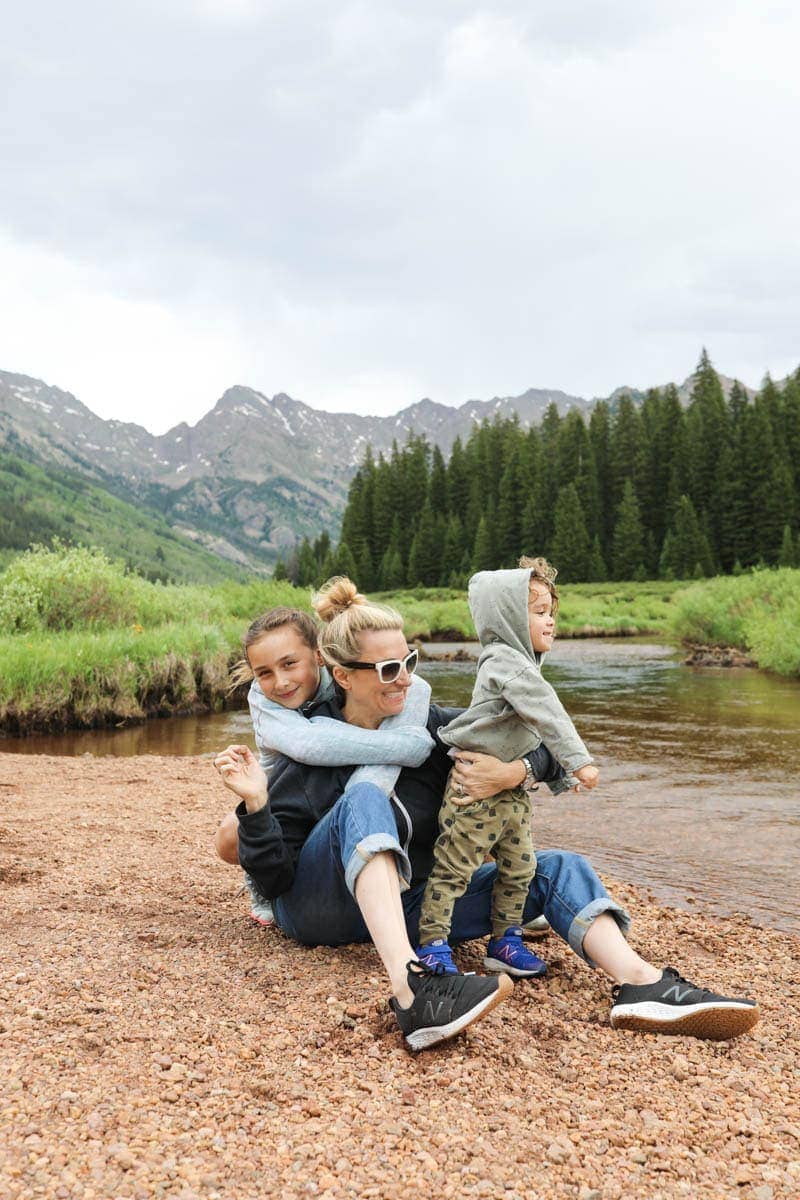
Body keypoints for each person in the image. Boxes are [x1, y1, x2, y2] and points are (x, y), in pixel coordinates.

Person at [214, 576, 759, 1051]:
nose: (404, 679)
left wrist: (513, 773)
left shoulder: (431, 730)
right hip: (318, 913)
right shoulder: (304, 761)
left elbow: (541, 743)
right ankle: (414, 991)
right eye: (386, 669)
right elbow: (273, 877)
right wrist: (256, 805)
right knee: (364, 799)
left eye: (408, 662)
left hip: (411, 906)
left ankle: (642, 985)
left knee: (555, 868)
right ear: (342, 675)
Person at [416, 558, 598, 978]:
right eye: (538, 613)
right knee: (453, 869)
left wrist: (562, 774)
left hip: (510, 794)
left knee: (520, 868)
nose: (550, 622)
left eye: (552, 612)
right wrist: (579, 761)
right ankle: (433, 944)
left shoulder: (522, 663)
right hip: (473, 793)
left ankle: (505, 940)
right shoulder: (505, 661)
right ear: (509, 617)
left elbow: (529, 732)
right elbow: (547, 714)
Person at [215, 604, 437, 925]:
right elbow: (310, 744)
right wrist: (407, 746)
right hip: (282, 794)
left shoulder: (341, 675)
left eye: (290, 664)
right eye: (264, 673)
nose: (280, 682)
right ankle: (260, 883)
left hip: (332, 788)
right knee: (231, 834)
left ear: (319, 656)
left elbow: (417, 686)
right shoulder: (262, 699)